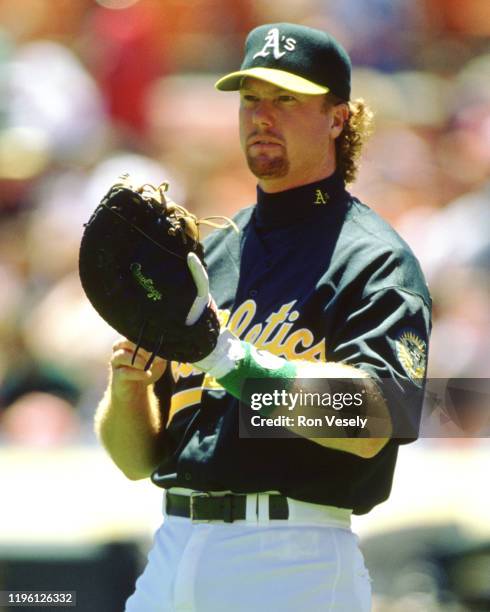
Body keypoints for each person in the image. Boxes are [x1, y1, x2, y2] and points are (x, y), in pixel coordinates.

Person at [95, 23, 431, 612]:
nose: (261, 116)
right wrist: (129, 390)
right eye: (250, 98)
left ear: (338, 118)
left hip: (292, 557)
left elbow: (373, 419)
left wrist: (227, 358)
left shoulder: (372, 258)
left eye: (286, 99)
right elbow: (136, 460)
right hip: (174, 545)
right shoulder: (210, 253)